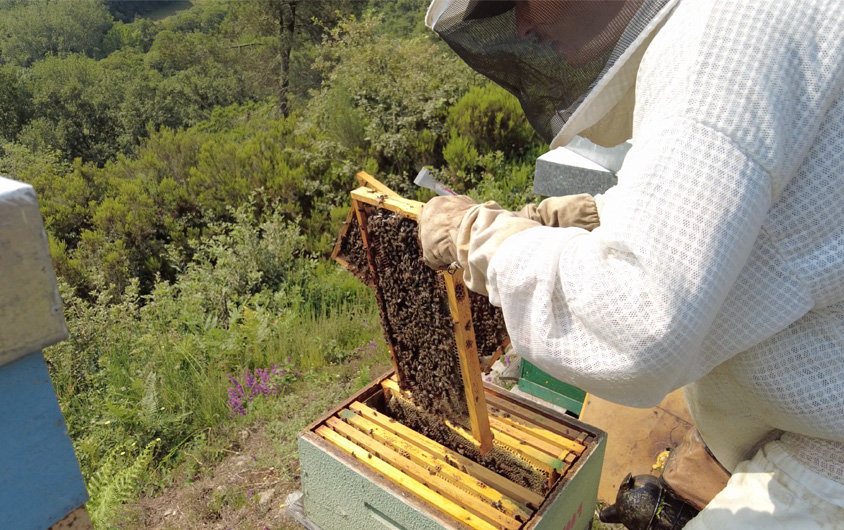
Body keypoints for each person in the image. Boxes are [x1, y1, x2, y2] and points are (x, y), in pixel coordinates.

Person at [420, 0, 844, 527]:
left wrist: (479, 241)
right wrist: (584, 216)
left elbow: (637, 321)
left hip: (827, 457)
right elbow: (744, 210)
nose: (522, 24)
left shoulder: (720, 38)